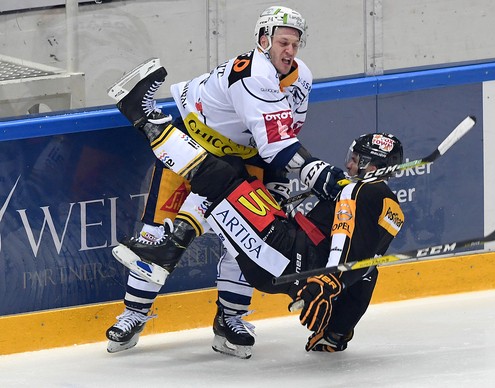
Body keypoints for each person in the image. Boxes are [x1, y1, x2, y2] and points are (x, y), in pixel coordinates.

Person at [105, 6, 345, 359]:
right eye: (282, 42)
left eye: (295, 44)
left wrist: (277, 182)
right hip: (193, 144)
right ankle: (133, 314)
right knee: (155, 234)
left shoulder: (301, 77)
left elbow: (284, 133)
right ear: (264, 41)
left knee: (246, 243)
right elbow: (278, 144)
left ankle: (229, 319)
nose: (290, 51)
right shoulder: (254, 73)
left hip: (244, 160)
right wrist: (315, 170)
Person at [112, 75, 405, 352]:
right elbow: (365, 272)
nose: (350, 167)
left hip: (285, 248)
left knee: (220, 178)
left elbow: (344, 232)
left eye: (356, 161)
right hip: (282, 276)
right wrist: (336, 333)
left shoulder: (366, 191)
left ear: (373, 166)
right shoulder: (386, 214)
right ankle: (217, 308)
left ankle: (142, 116)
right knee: (223, 200)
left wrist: (330, 276)